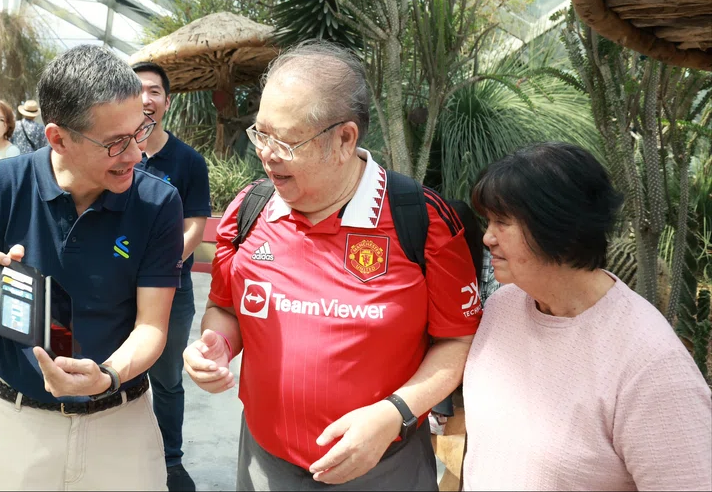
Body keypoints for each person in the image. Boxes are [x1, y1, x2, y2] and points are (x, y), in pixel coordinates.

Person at [183, 40, 482, 491]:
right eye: (260, 134)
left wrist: (393, 414)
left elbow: (459, 340)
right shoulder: (250, 210)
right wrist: (217, 346)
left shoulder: (421, 221)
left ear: (344, 139)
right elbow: (226, 308)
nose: (266, 153)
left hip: (384, 469)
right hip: (266, 465)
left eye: (284, 140)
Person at [0, 44, 184, 491]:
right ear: (57, 138)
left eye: (141, 130)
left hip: (121, 422)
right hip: (19, 423)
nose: (135, 154)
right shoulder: (2, 186)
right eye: (115, 142)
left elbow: (152, 326)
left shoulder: (156, 202)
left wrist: (106, 375)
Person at [462, 142, 712, 491]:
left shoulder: (652, 366)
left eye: (502, 222)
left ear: (558, 228)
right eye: (488, 221)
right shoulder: (503, 308)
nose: (487, 237)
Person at [133, 61, 211, 492]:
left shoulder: (187, 161)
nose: (146, 99)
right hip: (115, 290)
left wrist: (156, 271)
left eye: (154, 91)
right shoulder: (111, 150)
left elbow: (194, 228)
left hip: (171, 290)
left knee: (166, 380)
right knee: (115, 375)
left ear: (166, 101)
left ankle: (170, 462)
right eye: (137, 90)